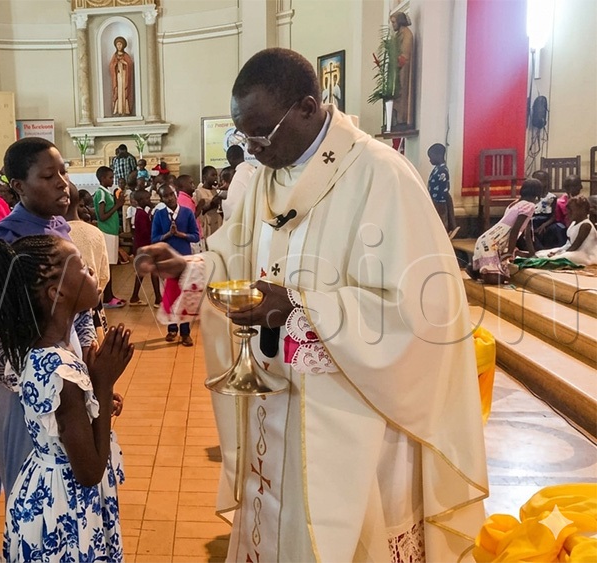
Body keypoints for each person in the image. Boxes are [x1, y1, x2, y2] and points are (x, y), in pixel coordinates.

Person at [136, 48, 487, 562]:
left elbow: (420, 313)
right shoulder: (264, 179)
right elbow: (237, 257)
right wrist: (189, 268)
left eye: (261, 135)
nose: (252, 151)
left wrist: (299, 309)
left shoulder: (379, 176)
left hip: (349, 416)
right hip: (272, 398)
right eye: (244, 138)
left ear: (306, 106)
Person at [0, 235, 130, 561]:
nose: (92, 272)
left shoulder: (38, 351)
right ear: (57, 293)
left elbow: (61, 425)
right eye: (83, 269)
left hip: (44, 488)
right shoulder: (61, 373)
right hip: (66, 509)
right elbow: (89, 471)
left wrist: (95, 406)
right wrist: (101, 384)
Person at [0, 137, 100, 498]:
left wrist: (87, 362)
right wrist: (54, 390)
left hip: (67, 376)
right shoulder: (3, 246)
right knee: (38, 500)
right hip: (27, 398)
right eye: (48, 176)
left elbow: (80, 311)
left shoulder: (59, 230)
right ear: (18, 186)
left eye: (63, 172)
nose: (63, 183)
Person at [151, 184, 198, 346]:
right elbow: (154, 238)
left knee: (185, 296)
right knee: (170, 296)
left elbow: (196, 236)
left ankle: (185, 332)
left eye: (172, 194)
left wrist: (180, 234)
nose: (169, 198)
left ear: (176, 194)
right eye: (166, 196)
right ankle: (172, 328)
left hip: (185, 260)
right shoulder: (159, 215)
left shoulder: (187, 213)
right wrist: (167, 235)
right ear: (162, 199)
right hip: (166, 262)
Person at [470, 179, 541, 284]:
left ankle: (476, 269)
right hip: (494, 241)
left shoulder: (516, 202)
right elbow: (515, 229)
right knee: (501, 279)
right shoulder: (529, 206)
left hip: (487, 238)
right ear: (538, 192)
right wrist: (509, 251)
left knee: (499, 272)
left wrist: (532, 254)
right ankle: (486, 274)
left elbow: (527, 232)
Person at [65, 182, 111, 335]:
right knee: (94, 347)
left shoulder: (54, 235)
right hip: (93, 303)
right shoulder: (95, 232)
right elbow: (105, 275)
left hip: (65, 310)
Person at [93, 166, 126, 308]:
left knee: (111, 265)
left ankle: (110, 295)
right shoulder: (101, 193)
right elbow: (102, 216)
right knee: (107, 266)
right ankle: (107, 298)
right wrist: (117, 205)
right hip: (106, 232)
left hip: (111, 232)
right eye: (110, 177)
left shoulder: (107, 192)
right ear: (102, 179)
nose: (112, 180)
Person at [542, 195, 597, 266]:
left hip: (585, 255)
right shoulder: (573, 223)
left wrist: (561, 254)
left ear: (582, 210)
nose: (568, 213)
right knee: (543, 253)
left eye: (572, 210)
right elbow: (568, 244)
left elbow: (575, 246)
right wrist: (558, 251)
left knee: (563, 257)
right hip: (573, 252)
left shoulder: (585, 225)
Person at [128, 189, 161, 306]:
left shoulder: (141, 213)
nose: (149, 200)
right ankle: (158, 299)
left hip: (142, 247)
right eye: (147, 199)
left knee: (141, 273)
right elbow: (145, 232)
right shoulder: (141, 215)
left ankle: (135, 297)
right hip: (145, 248)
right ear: (141, 201)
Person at [426, 143, 459, 238]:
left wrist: (439, 201)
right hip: (434, 199)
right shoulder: (437, 169)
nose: (430, 160)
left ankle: (443, 237)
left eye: (431, 157)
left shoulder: (442, 171)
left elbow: (443, 189)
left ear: (438, 155)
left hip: (439, 201)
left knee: (441, 220)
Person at [391, 11, 415, 129]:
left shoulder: (407, 34)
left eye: (394, 22)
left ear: (400, 21)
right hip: (397, 68)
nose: (393, 25)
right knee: (396, 95)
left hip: (403, 69)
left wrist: (397, 60)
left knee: (402, 93)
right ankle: (397, 118)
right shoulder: (398, 34)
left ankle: (402, 118)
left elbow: (405, 54)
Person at [194, 166, 223, 241]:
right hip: (207, 224)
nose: (215, 177)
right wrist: (212, 203)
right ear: (204, 177)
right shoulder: (199, 191)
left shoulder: (216, 190)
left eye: (216, 175)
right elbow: (201, 210)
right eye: (213, 175)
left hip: (218, 222)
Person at [109, 37, 134, 116]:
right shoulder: (115, 55)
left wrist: (124, 63)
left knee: (124, 92)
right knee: (118, 92)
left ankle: (125, 110)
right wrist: (115, 64)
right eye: (117, 45)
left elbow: (130, 64)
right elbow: (110, 66)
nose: (119, 46)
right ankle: (118, 110)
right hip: (118, 76)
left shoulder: (126, 55)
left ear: (123, 45)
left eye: (120, 44)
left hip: (124, 76)